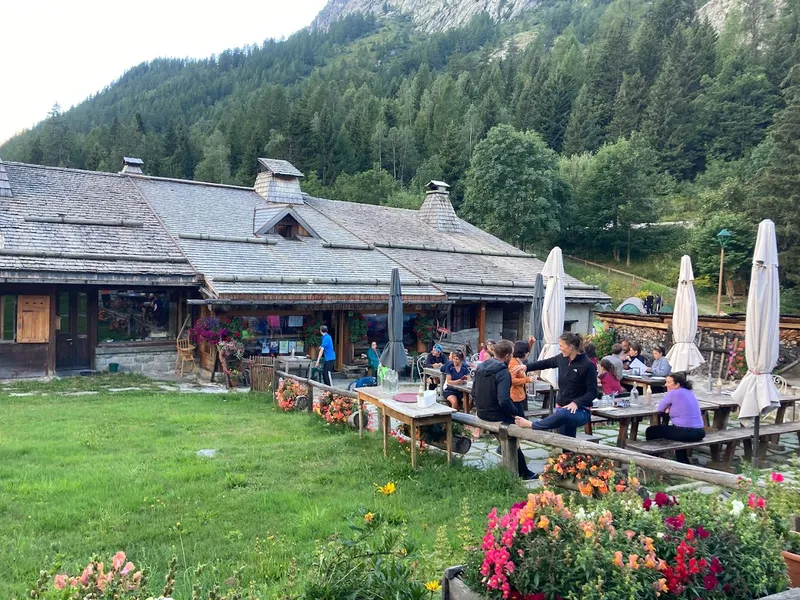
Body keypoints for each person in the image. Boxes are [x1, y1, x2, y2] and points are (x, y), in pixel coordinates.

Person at [473, 340, 537, 480]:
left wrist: (480, 408)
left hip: (481, 412)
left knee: (512, 427)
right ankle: (523, 472)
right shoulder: (503, 372)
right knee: (517, 431)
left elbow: (473, 392)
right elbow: (504, 400)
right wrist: (514, 413)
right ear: (508, 356)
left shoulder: (481, 366)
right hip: (496, 414)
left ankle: (504, 450)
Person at [512, 332, 597, 438]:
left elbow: (593, 392)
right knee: (565, 440)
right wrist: (526, 367)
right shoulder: (561, 358)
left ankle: (532, 425)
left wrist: (576, 403)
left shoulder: (588, 365)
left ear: (570, 347)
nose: (559, 349)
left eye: (561, 346)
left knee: (562, 414)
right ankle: (566, 454)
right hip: (562, 406)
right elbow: (545, 363)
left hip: (580, 410)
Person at [644, 373, 705, 464]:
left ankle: (655, 459)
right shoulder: (689, 392)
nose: (665, 385)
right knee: (675, 429)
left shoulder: (673, 393)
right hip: (700, 432)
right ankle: (682, 460)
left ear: (677, 385)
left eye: (668, 382)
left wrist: (668, 408)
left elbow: (660, 408)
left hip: (687, 432)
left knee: (651, 431)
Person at [510, 340, 532, 406]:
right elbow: (511, 380)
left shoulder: (518, 361)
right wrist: (527, 379)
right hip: (514, 396)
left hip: (519, 394)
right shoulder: (513, 363)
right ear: (525, 353)